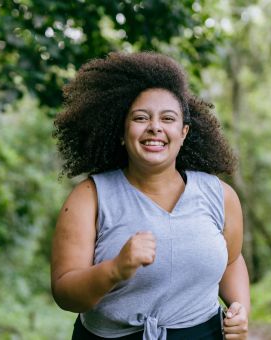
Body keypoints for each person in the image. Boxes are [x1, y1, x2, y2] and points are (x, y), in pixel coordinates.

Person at [51, 52, 250, 340]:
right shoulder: (90, 197)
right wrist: (115, 270)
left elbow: (232, 261)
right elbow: (64, 293)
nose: (155, 127)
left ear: (183, 133)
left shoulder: (219, 195)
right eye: (141, 117)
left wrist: (240, 308)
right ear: (122, 132)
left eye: (167, 118)